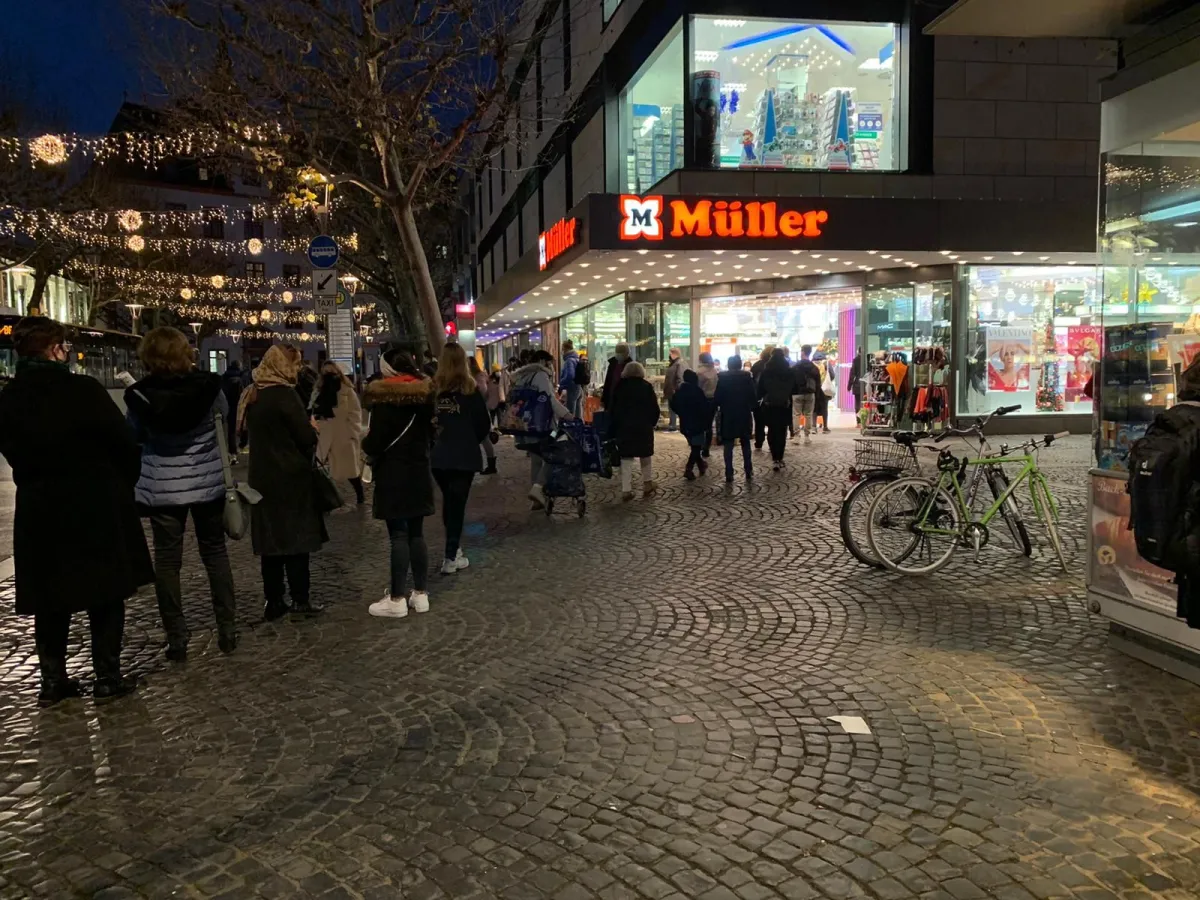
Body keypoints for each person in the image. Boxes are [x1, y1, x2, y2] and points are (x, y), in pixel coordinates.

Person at [0, 317, 151, 705]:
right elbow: (122, 441)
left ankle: (53, 679)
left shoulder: (10, 398)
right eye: (64, 346)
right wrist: (121, 482)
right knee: (104, 591)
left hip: (40, 505)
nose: (67, 352)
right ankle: (106, 676)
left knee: (50, 594)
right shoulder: (83, 390)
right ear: (53, 349)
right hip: (93, 499)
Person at [125, 326, 237, 661]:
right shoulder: (208, 388)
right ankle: (227, 628)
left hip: (162, 486)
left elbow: (133, 433)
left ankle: (176, 635)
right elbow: (223, 419)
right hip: (207, 482)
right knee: (215, 554)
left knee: (168, 561)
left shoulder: (141, 395)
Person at [239, 345, 327, 620]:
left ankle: (273, 600)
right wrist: (312, 430)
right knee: (296, 542)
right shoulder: (285, 396)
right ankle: (300, 598)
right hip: (290, 477)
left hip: (262, 478)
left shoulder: (253, 394)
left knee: (271, 544)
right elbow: (305, 438)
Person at [362, 349, 437, 617]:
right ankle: (421, 594)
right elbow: (433, 433)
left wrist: (365, 443)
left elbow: (374, 442)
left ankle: (396, 598)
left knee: (398, 536)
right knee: (417, 534)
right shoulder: (426, 397)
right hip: (418, 471)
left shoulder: (384, 400)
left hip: (393, 474)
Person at [432, 344, 492, 574]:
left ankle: (453, 550)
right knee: (457, 504)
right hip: (464, 455)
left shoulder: (434, 390)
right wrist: (469, 439)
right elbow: (483, 424)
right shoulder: (470, 390)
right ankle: (451, 554)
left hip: (440, 455)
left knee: (450, 502)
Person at [512, 349, 572, 509]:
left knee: (536, 459)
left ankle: (536, 499)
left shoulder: (521, 376)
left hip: (525, 427)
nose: (551, 366)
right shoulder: (541, 376)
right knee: (555, 453)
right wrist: (566, 415)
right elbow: (549, 400)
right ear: (542, 361)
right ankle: (538, 488)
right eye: (549, 362)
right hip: (543, 426)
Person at [312, 361, 365, 504]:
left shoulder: (347, 391)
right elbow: (313, 409)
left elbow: (355, 413)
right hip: (325, 433)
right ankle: (326, 498)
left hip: (343, 435)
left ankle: (360, 494)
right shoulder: (319, 391)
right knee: (322, 468)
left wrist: (352, 432)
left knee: (349, 470)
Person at [609, 361, 661, 500]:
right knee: (645, 455)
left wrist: (615, 426)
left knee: (626, 458)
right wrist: (652, 423)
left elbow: (613, 409)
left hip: (624, 427)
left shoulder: (620, 387)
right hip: (643, 426)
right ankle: (647, 483)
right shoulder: (646, 387)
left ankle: (626, 489)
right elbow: (654, 408)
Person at [714, 355, 757, 483]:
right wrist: (754, 408)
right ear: (739, 365)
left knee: (728, 444)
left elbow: (718, 397)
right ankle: (748, 469)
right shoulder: (746, 377)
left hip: (728, 413)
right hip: (743, 412)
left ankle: (729, 471)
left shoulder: (722, 378)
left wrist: (716, 408)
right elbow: (752, 395)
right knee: (745, 442)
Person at [757, 348, 797, 471]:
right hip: (784, 405)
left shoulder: (766, 371)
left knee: (772, 430)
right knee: (782, 431)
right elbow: (795, 388)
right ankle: (780, 457)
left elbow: (760, 389)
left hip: (770, 405)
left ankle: (774, 457)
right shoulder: (789, 371)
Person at [668, 369, 710, 480]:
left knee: (694, 446)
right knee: (696, 447)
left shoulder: (680, 391)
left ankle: (701, 465)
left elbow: (673, 405)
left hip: (685, 423)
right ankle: (689, 468)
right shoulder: (697, 391)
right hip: (697, 423)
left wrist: (681, 413)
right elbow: (704, 407)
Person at [469, 355, 498, 475]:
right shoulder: (476, 376)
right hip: (477, 409)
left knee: (484, 438)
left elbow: (483, 391)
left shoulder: (478, 377)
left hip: (480, 409)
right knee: (482, 438)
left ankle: (490, 465)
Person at [791, 344, 822, 446]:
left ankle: (796, 436)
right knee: (808, 415)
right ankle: (807, 436)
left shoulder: (795, 366)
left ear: (803, 352)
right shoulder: (814, 367)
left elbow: (791, 381)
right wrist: (816, 395)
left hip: (797, 393)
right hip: (810, 393)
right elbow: (818, 382)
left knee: (796, 415)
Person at [696, 352, 719, 456]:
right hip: (713, 400)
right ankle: (707, 448)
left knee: (700, 424)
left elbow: (697, 388)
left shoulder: (700, 372)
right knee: (709, 425)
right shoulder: (714, 371)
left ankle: (699, 445)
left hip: (702, 400)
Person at [221, 360, 245, 459]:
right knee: (243, 425)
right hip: (238, 405)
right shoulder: (239, 379)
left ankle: (232, 450)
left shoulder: (224, 377)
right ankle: (241, 445)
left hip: (228, 405)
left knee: (231, 430)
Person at [601, 342, 631, 410]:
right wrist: (604, 399)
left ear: (627, 353)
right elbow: (608, 381)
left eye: (622, 353)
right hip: (612, 395)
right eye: (618, 352)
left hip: (624, 398)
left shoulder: (630, 365)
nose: (619, 355)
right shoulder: (612, 364)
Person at [751, 348, 771, 450]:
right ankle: (772, 443)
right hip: (770, 397)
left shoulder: (756, 365)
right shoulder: (774, 366)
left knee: (759, 422)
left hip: (758, 397)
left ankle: (759, 441)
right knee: (772, 421)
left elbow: (752, 381)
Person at [559, 339, 584, 419]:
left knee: (570, 414)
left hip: (572, 388)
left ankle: (570, 430)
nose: (561, 351)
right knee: (578, 413)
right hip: (579, 387)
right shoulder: (576, 359)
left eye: (562, 349)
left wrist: (561, 383)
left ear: (565, 349)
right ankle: (579, 428)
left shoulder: (569, 361)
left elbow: (570, 375)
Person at [662, 348, 684, 431]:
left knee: (674, 409)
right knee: (671, 409)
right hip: (671, 391)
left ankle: (673, 425)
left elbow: (679, 377)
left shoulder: (678, 364)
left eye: (670, 353)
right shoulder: (673, 364)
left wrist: (676, 389)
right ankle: (672, 424)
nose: (669, 355)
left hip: (674, 391)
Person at [811, 352, 832, 434]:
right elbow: (832, 375)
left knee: (814, 408)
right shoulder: (826, 363)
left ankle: (814, 427)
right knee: (824, 408)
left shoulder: (811, 364)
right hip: (824, 388)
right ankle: (825, 427)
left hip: (814, 389)